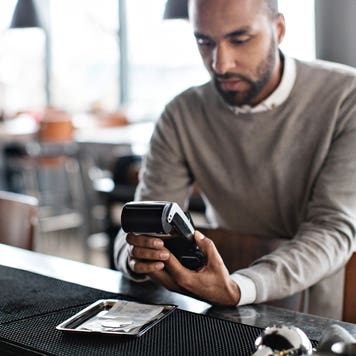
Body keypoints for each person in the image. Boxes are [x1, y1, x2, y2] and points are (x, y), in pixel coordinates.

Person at [114, 0, 356, 319]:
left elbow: (333, 228)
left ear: (278, 29)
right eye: (205, 42)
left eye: (240, 40)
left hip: (319, 307)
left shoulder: (346, 98)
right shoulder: (181, 114)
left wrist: (241, 287)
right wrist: (138, 257)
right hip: (217, 301)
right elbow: (143, 221)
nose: (220, 64)